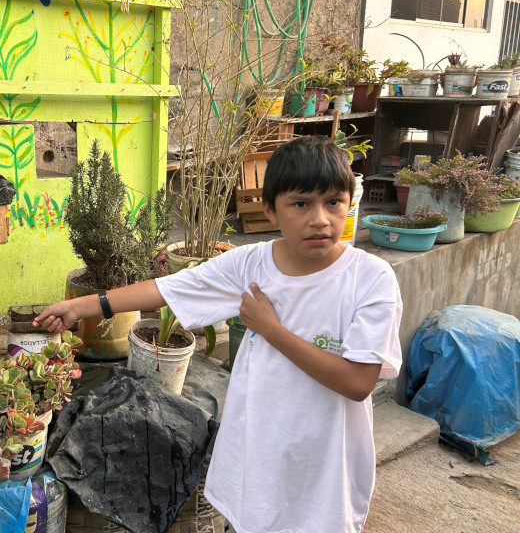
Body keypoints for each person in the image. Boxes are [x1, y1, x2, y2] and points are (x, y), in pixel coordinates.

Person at [33, 135, 403, 533]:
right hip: (258, 458)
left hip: (326, 467)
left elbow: (357, 382)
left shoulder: (370, 278)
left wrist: (271, 330)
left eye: (333, 202)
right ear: (270, 209)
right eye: (301, 204)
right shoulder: (252, 264)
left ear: (350, 201)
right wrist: (82, 306)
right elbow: (170, 288)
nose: (320, 219)